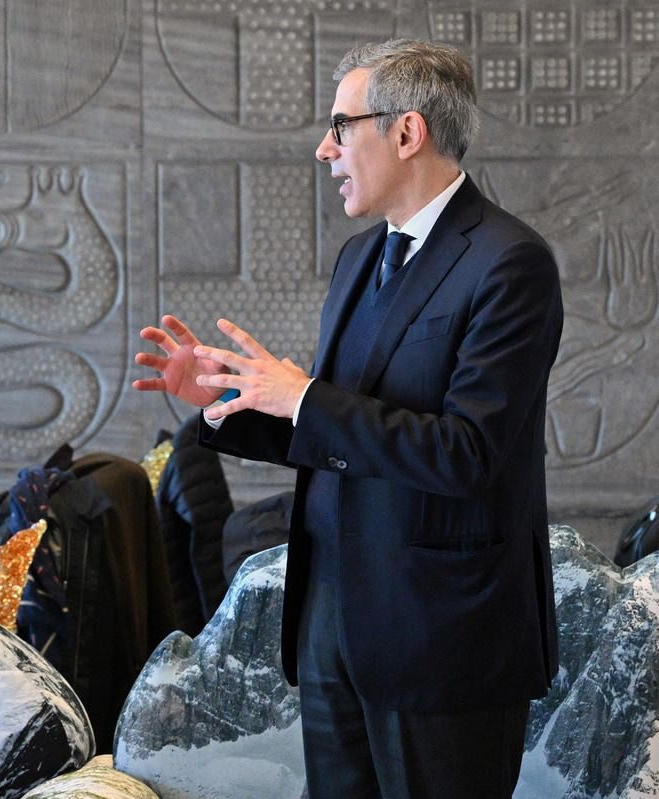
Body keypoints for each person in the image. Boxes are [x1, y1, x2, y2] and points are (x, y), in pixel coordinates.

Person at [134, 39, 561, 798]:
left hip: (441, 634)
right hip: (331, 625)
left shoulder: (508, 262)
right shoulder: (360, 258)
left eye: (340, 125)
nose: (323, 148)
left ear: (407, 132)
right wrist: (229, 400)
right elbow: (338, 436)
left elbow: (468, 453)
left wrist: (301, 395)